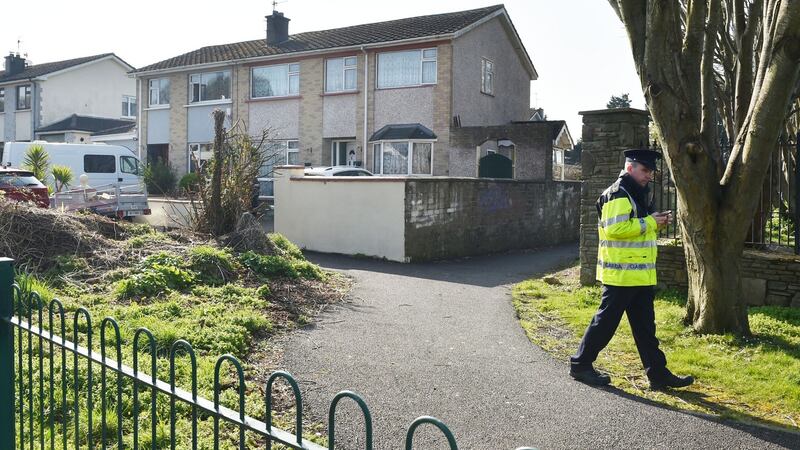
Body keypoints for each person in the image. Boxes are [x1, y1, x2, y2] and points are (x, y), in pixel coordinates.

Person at [570, 148, 694, 390]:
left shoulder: (635, 194)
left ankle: (658, 374)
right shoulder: (618, 194)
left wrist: (655, 222)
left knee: (646, 329)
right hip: (621, 276)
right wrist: (650, 222)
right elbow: (615, 230)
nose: (650, 175)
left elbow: (635, 229)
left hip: (638, 275)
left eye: (651, 171)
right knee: (605, 324)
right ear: (630, 168)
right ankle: (580, 365)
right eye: (645, 170)